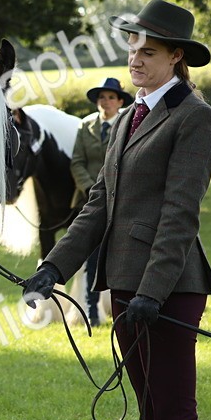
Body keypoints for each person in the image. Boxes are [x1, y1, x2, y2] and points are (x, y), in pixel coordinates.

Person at [22, 0, 211, 420]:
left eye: (149, 52)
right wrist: (54, 268)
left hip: (169, 290)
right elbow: (99, 206)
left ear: (177, 58)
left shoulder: (194, 119)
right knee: (154, 417)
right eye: (132, 50)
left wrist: (154, 293)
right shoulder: (131, 115)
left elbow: (179, 217)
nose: (135, 60)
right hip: (126, 287)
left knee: (176, 418)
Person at [71, 78, 134, 322]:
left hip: (119, 199)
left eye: (110, 97)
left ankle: (123, 307)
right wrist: (90, 189)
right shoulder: (85, 125)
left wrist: (110, 189)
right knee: (91, 258)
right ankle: (91, 309)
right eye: (101, 97)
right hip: (88, 200)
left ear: (119, 101)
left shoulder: (128, 124)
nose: (104, 102)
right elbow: (77, 161)